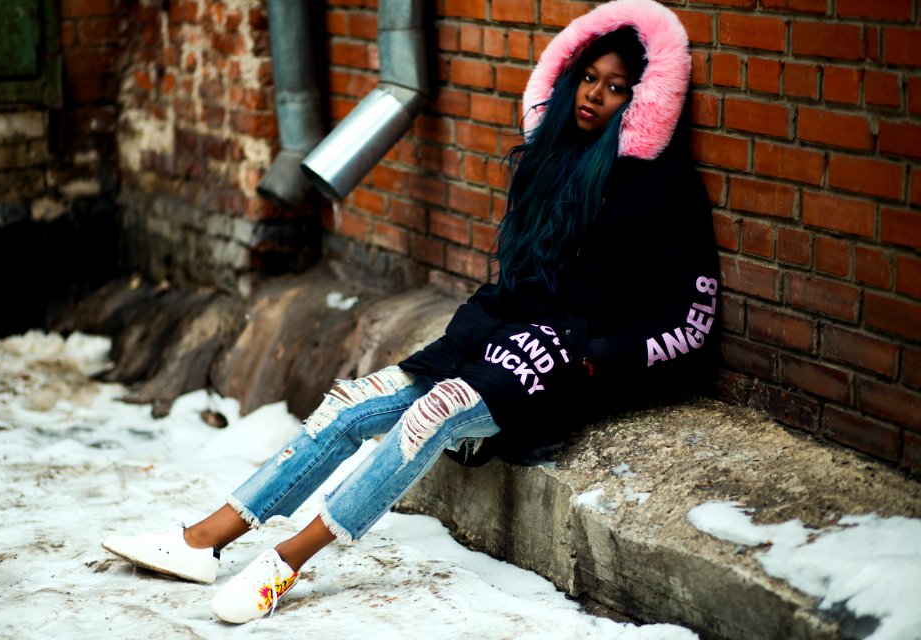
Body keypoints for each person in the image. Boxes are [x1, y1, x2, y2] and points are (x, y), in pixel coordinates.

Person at [102, 0, 720, 624]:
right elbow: (518, 283)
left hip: (563, 358)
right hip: (500, 336)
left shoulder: (663, 186)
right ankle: (202, 540)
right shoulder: (547, 163)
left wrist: (596, 359)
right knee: (350, 404)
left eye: (617, 88)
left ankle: (282, 566)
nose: (595, 95)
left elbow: (691, 322)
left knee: (431, 414)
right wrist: (462, 344)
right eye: (588, 77)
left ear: (643, 100)